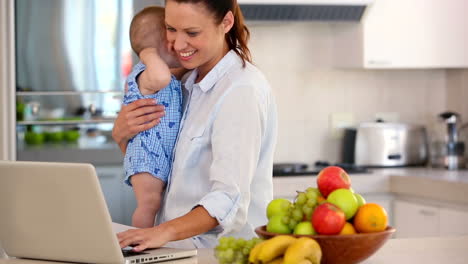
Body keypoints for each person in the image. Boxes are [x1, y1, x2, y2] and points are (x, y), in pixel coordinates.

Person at [113, 0, 277, 249]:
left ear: (226, 22)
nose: (178, 45)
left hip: (219, 255)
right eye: (170, 29)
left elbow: (228, 198)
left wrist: (162, 231)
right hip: (173, 250)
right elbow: (163, 170)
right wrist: (123, 137)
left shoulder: (241, 90)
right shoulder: (182, 83)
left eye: (192, 32)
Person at [123, 6, 182, 228]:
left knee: (155, 203)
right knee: (149, 204)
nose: (177, 46)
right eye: (171, 39)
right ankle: (140, 237)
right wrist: (149, 53)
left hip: (157, 155)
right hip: (147, 154)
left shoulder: (164, 74)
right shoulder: (147, 74)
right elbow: (161, 77)